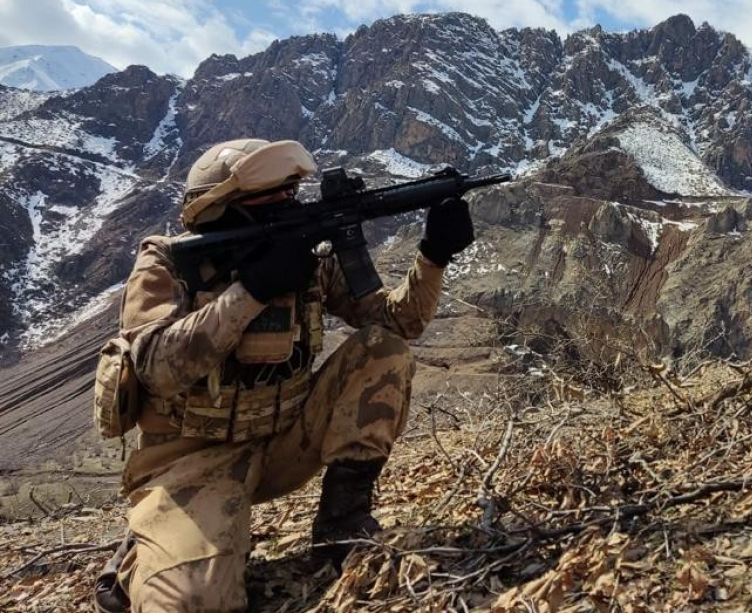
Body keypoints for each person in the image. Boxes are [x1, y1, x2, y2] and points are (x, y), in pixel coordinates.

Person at [94, 138, 475, 613]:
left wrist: (434, 255)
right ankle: (144, 549)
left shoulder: (311, 257)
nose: (285, 204)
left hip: (285, 439)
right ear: (221, 208)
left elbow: (399, 324)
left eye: (290, 194)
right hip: (190, 459)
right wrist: (251, 289)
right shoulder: (168, 262)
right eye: (269, 197)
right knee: (196, 603)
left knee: (383, 351)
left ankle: (342, 523)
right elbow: (157, 370)